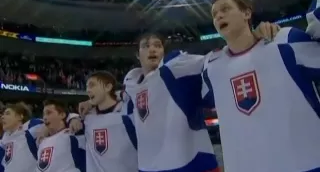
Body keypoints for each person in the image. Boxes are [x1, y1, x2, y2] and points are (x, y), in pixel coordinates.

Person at [79, 22, 280, 172]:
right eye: (146, 46)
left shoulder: (175, 67)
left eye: (157, 45)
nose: (152, 49)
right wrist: (90, 103)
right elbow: (115, 103)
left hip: (190, 162)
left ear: (163, 52)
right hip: (150, 167)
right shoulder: (131, 85)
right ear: (137, 55)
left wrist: (249, 37)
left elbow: (214, 60)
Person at [202, 0, 320, 172]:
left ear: (246, 13)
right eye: (214, 14)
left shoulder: (285, 41)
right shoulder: (211, 68)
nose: (218, 16)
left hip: (305, 164)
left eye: (225, 9)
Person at [79, 71, 138, 172]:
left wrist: (119, 93)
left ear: (108, 87)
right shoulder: (87, 119)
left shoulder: (127, 111)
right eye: (87, 86)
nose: (88, 90)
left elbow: (134, 93)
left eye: (92, 85)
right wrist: (73, 119)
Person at [37, 99, 85, 172]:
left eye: (49, 113)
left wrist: (74, 118)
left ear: (62, 115)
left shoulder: (73, 134)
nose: (44, 117)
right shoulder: (42, 141)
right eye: (44, 114)